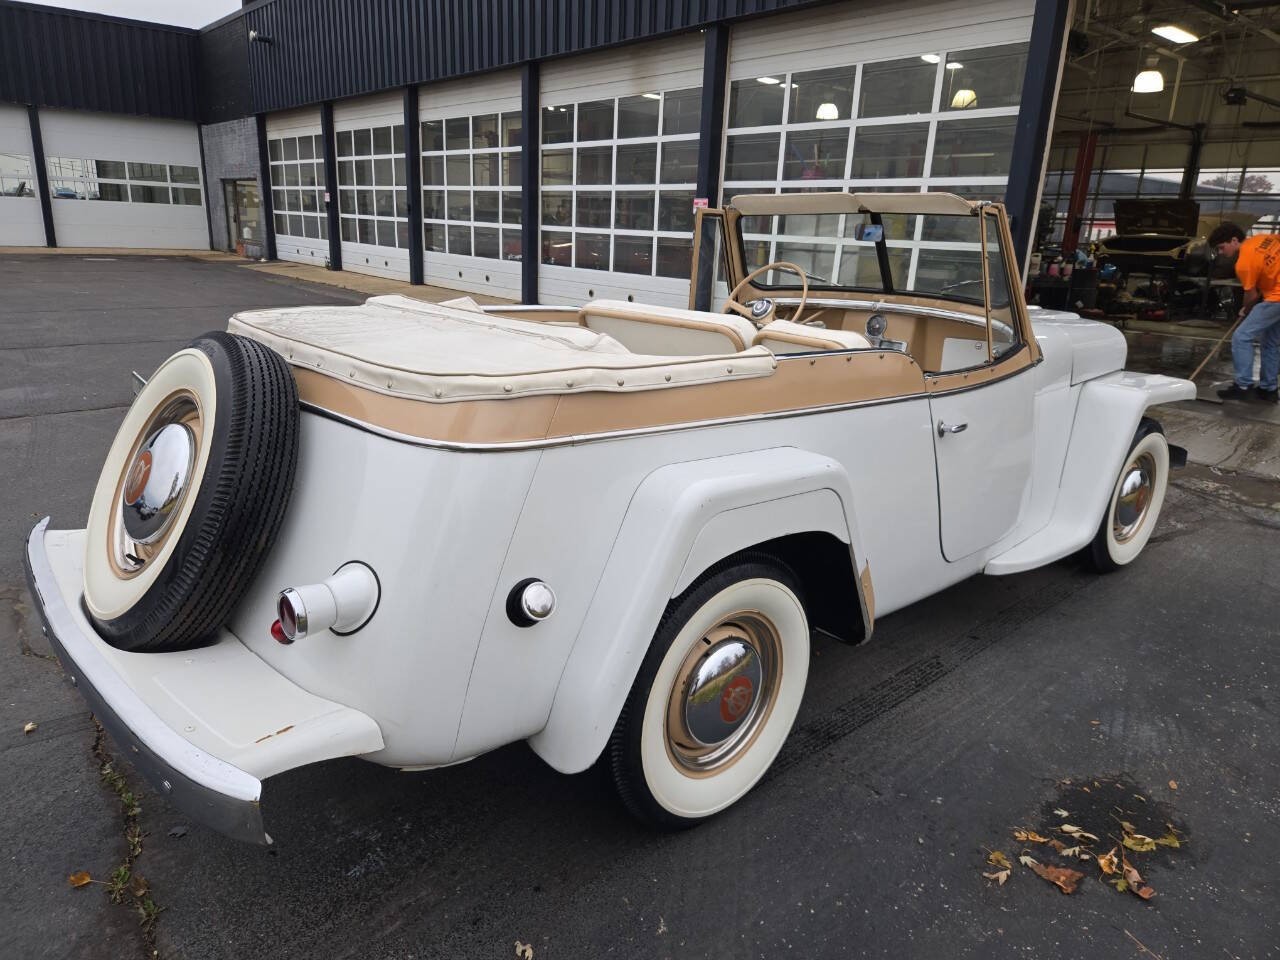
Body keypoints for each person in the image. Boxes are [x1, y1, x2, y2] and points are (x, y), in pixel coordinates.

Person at [1210, 222, 1280, 404]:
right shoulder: (1263, 239)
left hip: (1276, 297)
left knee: (1241, 337)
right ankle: (1268, 390)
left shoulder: (1243, 263)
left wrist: (1245, 310)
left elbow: (1252, 295)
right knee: (1270, 342)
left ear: (1234, 240)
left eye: (1221, 247)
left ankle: (1243, 387)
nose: (1221, 252)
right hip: (1274, 294)